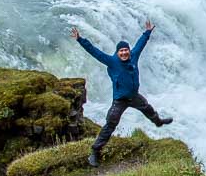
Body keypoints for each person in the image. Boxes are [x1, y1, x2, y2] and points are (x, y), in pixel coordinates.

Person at [72, 20, 173, 167]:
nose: (124, 53)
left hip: (134, 96)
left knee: (148, 108)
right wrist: (80, 40)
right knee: (110, 124)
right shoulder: (112, 61)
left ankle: (158, 122)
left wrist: (147, 32)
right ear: (117, 53)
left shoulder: (133, 56)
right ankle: (94, 152)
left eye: (126, 50)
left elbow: (140, 44)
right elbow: (95, 52)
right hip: (120, 100)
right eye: (121, 51)